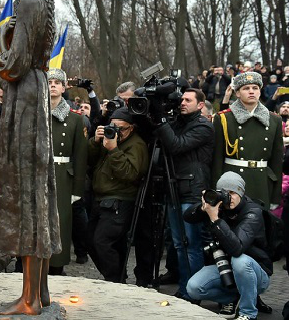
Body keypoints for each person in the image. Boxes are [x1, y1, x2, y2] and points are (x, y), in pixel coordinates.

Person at [0, 0, 62, 315]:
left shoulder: (30, 5)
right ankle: (40, 294)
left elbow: (11, 68)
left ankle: (30, 299)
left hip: (26, 97)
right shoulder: (42, 4)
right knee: (36, 194)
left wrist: (3, 41)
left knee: (29, 196)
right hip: (35, 92)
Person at [152, 88, 214, 301]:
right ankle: (184, 288)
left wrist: (161, 120)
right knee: (179, 244)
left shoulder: (203, 126)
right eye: (182, 99)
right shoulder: (178, 122)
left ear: (200, 105)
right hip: (174, 189)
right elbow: (159, 138)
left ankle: (193, 292)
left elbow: (177, 146)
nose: (182, 103)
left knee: (191, 245)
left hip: (193, 192)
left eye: (188, 100)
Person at [185, 172, 271, 320]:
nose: (229, 198)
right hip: (226, 268)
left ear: (241, 193)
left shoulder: (253, 212)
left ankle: (248, 313)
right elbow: (187, 217)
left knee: (240, 261)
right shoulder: (219, 207)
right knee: (193, 287)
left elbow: (237, 248)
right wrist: (204, 205)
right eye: (225, 193)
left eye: (233, 193)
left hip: (256, 273)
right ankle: (232, 299)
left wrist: (214, 218)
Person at [87, 107, 149, 283]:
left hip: (120, 200)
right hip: (100, 198)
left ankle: (114, 280)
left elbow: (130, 174)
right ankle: (116, 275)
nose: (116, 132)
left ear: (132, 128)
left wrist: (114, 150)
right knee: (91, 241)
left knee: (102, 242)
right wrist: (95, 141)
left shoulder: (137, 145)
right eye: (113, 127)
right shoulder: (107, 139)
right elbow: (89, 161)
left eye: (121, 129)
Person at [212, 71, 283, 209]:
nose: (251, 91)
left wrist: (275, 195)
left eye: (255, 88)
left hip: (261, 184)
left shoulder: (274, 120)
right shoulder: (224, 119)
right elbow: (216, 159)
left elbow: (276, 161)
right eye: (246, 88)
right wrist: (216, 191)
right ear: (237, 93)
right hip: (232, 183)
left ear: (260, 91)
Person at [46, 69, 87, 274]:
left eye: (57, 82)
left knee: (60, 222)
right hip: (40, 174)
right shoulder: (37, 115)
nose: (52, 85)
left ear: (64, 88)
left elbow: (80, 155)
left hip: (63, 176)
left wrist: (77, 189)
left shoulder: (75, 118)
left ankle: (57, 266)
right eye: (49, 82)